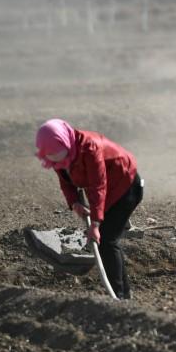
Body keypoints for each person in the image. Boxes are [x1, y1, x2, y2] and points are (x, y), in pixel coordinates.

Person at [35, 118, 143, 300]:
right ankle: (124, 295)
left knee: (106, 240)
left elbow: (97, 186)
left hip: (125, 186)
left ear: (65, 142)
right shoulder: (59, 150)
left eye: (60, 154)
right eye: (53, 157)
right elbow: (65, 178)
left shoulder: (90, 147)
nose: (57, 160)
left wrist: (95, 223)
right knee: (105, 241)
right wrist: (75, 202)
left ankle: (119, 296)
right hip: (106, 192)